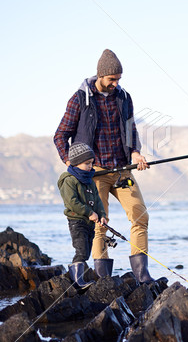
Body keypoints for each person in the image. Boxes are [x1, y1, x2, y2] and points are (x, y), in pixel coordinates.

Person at [54, 49, 153, 284]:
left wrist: (136, 153)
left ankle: (142, 275)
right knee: (99, 223)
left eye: (119, 79)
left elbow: (130, 130)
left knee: (141, 216)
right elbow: (60, 136)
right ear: (101, 75)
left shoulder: (124, 97)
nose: (116, 83)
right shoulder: (80, 99)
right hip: (93, 172)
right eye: (112, 79)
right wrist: (72, 164)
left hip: (121, 170)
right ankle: (102, 278)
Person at [58, 142, 108, 289]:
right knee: (81, 250)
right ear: (76, 163)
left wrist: (102, 215)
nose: (90, 166)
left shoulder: (89, 180)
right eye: (87, 163)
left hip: (90, 223)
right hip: (77, 222)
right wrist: (89, 213)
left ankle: (80, 278)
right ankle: (77, 282)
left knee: (86, 252)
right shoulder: (68, 180)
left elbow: (97, 200)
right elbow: (71, 202)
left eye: (92, 163)